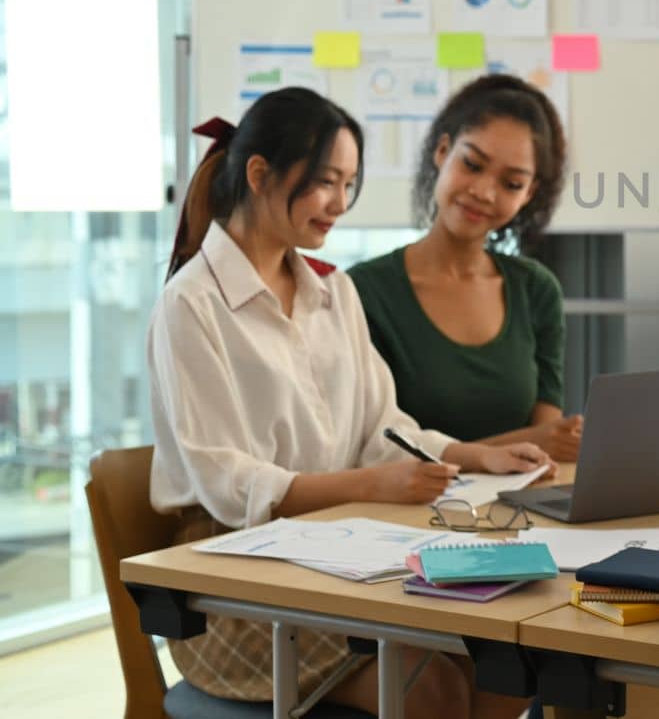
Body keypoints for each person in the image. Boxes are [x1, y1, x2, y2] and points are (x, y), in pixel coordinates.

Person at [148, 87, 551, 717]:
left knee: (506, 667)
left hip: (335, 551)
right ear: (260, 174)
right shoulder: (191, 304)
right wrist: (371, 484)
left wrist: (474, 456)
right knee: (433, 688)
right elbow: (227, 483)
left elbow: (382, 426)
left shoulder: (332, 293)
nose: (339, 203)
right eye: (325, 182)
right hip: (231, 589)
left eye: (350, 183)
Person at [348, 74, 582, 460]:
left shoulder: (536, 289)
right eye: (472, 164)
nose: (484, 192)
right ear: (443, 151)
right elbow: (375, 448)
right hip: (397, 514)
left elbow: (546, 438)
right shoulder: (363, 291)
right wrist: (499, 452)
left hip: (518, 507)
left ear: (529, 194)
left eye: (511, 184)